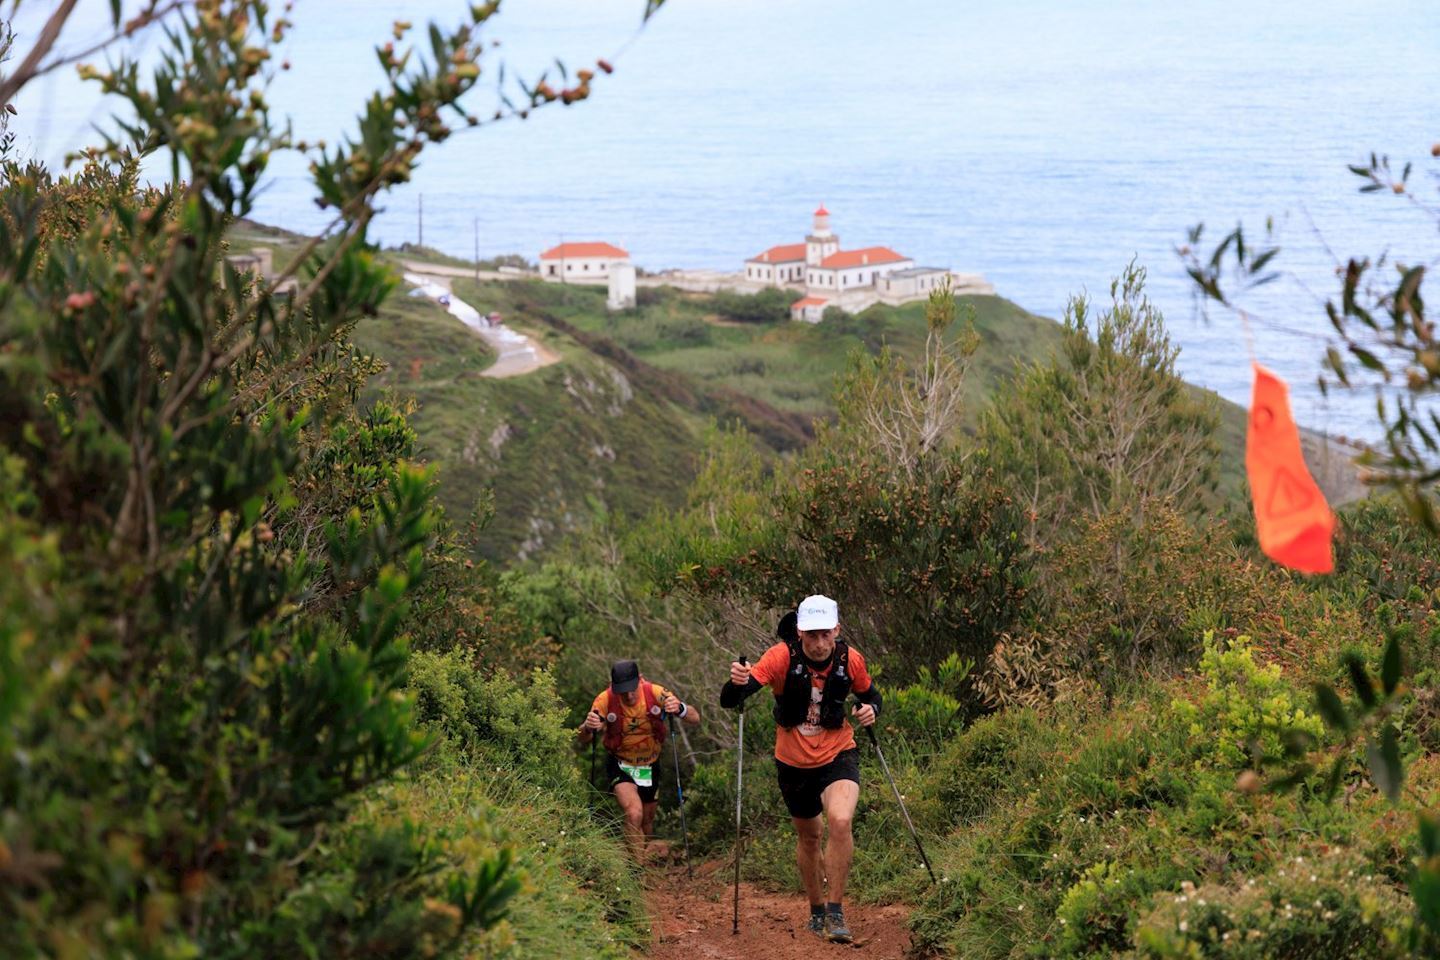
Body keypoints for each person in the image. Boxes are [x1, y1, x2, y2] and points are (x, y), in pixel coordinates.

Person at [719, 595, 882, 944]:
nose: (820, 643)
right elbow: (732, 699)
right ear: (799, 633)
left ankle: (836, 911)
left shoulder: (850, 659)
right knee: (809, 835)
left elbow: (872, 696)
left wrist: (871, 711)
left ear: (836, 630)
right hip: (793, 763)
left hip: (839, 752)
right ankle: (817, 909)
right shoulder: (780, 658)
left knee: (839, 820)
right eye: (812, 635)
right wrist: (736, 682)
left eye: (826, 634)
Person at [579, 659, 700, 858]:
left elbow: (695, 718)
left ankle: (641, 858)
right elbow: (584, 738)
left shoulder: (655, 692)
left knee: (647, 821)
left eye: (631, 688)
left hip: (650, 765)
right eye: (622, 690)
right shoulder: (604, 699)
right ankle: (637, 869)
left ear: (639, 680)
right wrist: (587, 726)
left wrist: (680, 708)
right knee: (633, 813)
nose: (628, 695)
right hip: (621, 764)